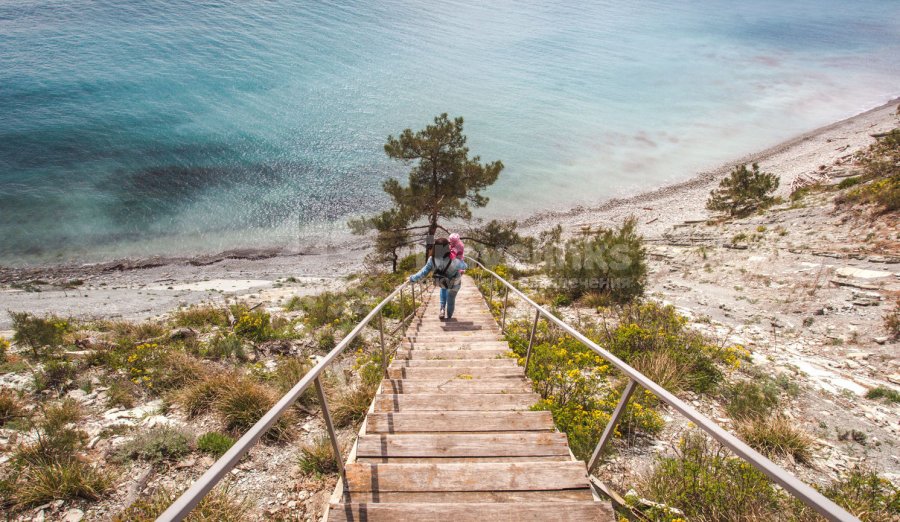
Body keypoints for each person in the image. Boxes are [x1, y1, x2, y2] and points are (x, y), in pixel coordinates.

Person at [409, 237, 468, 320]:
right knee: (451, 299)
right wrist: (460, 258)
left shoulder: (432, 260)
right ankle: (449, 318)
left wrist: (412, 278)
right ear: (447, 248)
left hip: (441, 280)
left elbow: (423, 273)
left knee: (443, 289)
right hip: (455, 282)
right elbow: (465, 266)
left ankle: (442, 309)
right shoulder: (454, 260)